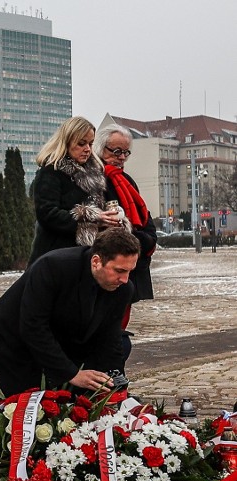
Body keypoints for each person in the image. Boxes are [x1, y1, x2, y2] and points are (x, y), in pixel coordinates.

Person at [0, 228, 140, 429]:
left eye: (130, 271)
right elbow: (33, 327)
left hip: (65, 340)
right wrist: (71, 373)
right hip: (16, 342)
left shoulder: (123, 288)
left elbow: (110, 339)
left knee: (73, 413)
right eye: (119, 270)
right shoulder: (53, 267)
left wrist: (115, 387)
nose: (125, 279)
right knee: (34, 416)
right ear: (96, 261)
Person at [95, 124, 157, 361]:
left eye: (126, 152)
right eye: (115, 152)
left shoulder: (126, 180)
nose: (121, 158)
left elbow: (144, 218)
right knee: (107, 330)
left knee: (119, 325)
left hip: (133, 260)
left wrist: (144, 239)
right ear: (101, 150)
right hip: (109, 262)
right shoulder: (94, 179)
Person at [28, 116, 124, 266]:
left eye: (91, 144)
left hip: (89, 255)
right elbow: (47, 214)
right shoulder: (51, 171)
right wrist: (92, 220)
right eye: (81, 143)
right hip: (56, 256)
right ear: (66, 141)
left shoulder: (97, 172)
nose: (87, 149)